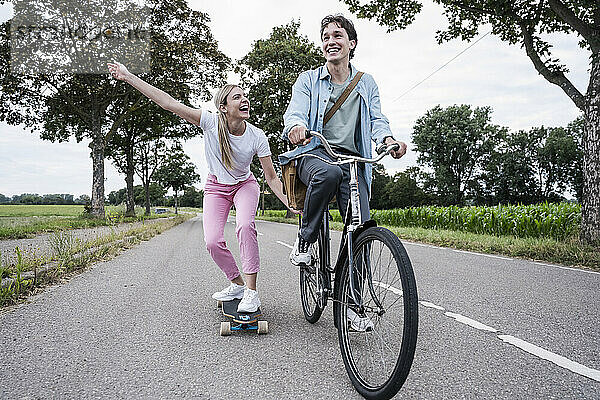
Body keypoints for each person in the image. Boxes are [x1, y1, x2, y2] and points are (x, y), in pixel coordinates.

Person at [108, 62, 296, 313]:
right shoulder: (209, 122)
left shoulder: (257, 136)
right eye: (237, 97)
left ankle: (251, 292)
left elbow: (272, 178)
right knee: (212, 241)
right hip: (216, 187)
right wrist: (128, 76)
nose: (245, 99)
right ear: (223, 107)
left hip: (244, 186)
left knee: (244, 225)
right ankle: (237, 284)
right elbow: (168, 103)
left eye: (245, 95)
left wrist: (291, 204)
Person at [280, 13, 407, 265]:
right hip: (315, 152)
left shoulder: (366, 82)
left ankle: (354, 296)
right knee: (329, 174)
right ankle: (305, 238)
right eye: (325, 37)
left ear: (352, 43)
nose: (331, 41)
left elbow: (376, 119)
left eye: (338, 35)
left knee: (360, 227)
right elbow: (295, 111)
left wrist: (388, 140)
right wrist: (296, 127)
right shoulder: (308, 80)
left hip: (352, 160)